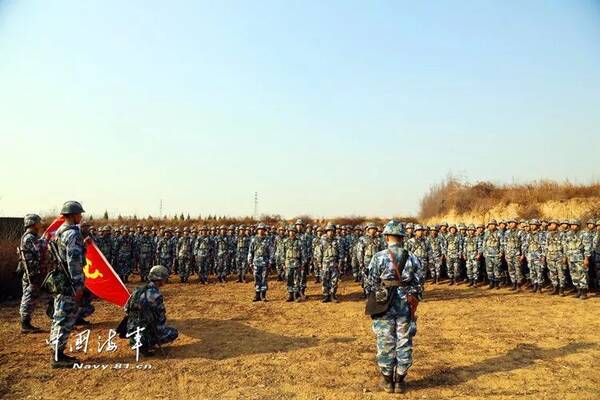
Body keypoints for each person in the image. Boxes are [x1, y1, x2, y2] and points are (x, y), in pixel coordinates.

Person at [364, 221, 422, 393]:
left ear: (387, 237)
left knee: (385, 340)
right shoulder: (412, 257)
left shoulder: (378, 257)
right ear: (402, 238)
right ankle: (400, 381)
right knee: (404, 340)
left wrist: (376, 296)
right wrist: (413, 300)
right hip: (405, 304)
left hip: (384, 303)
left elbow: (370, 282)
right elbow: (419, 283)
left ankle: (387, 380)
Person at [48, 201, 86, 368]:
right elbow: (73, 261)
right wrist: (78, 285)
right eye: (79, 214)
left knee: (59, 316)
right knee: (64, 318)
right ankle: (57, 357)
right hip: (69, 281)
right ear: (72, 215)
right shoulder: (72, 234)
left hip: (61, 280)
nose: (81, 216)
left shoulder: (59, 232)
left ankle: (57, 352)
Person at [124, 265, 178, 356]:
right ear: (160, 279)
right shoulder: (155, 295)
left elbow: (126, 309)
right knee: (173, 332)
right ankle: (147, 344)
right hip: (144, 333)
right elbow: (160, 319)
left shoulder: (137, 290)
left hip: (131, 330)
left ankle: (141, 342)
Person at [18, 213, 44, 333]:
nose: (40, 224)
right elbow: (39, 249)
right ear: (33, 223)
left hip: (33, 271)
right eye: (38, 222)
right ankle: (25, 323)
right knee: (29, 297)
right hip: (32, 272)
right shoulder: (30, 237)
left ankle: (26, 322)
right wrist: (46, 240)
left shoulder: (32, 236)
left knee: (31, 296)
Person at [247, 223, 273, 301]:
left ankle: (263, 295)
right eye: (259, 229)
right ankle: (257, 295)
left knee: (264, 279)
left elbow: (271, 252)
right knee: (256, 278)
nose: (261, 231)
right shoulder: (253, 239)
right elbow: (250, 251)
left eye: (262, 229)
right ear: (257, 230)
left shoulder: (268, 240)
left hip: (265, 263)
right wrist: (250, 261)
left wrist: (270, 262)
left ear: (265, 231)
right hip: (256, 263)